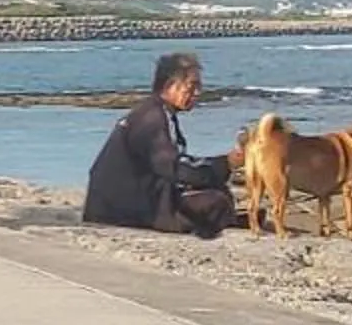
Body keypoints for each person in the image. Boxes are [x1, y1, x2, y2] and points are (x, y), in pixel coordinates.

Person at [82, 51, 236, 237]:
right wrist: (225, 165)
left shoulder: (152, 111)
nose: (197, 93)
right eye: (192, 86)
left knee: (216, 189)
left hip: (112, 204)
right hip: (122, 211)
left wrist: (220, 165)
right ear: (170, 85)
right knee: (217, 201)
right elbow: (175, 169)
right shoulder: (153, 118)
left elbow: (174, 163)